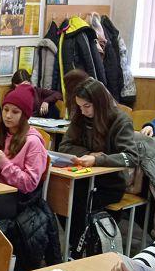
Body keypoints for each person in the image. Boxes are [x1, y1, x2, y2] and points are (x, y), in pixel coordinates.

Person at [58, 77, 138, 248]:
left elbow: (131, 157)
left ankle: (82, 246)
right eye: (80, 106)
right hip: (84, 178)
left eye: (87, 106)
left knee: (78, 201)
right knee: (61, 196)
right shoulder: (80, 117)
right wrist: (88, 155)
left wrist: (98, 159)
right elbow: (64, 146)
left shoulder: (120, 120)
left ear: (99, 102)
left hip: (110, 183)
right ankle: (77, 245)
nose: (83, 111)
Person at [0, 84, 48, 222]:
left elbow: (29, 184)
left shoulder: (33, 142)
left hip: (19, 199)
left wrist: (4, 164)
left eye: (15, 112)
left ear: (24, 115)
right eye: (5, 110)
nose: (8, 116)